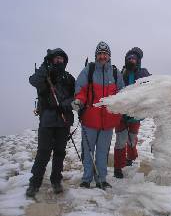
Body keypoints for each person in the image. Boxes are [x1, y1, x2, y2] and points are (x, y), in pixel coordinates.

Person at [72, 41, 124, 189]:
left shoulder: (115, 73)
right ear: (96, 55)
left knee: (103, 152)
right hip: (89, 119)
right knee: (88, 151)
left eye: (105, 54)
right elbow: (80, 89)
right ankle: (87, 178)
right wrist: (78, 101)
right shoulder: (89, 70)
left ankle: (101, 179)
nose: (102, 56)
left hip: (108, 122)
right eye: (100, 54)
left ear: (109, 56)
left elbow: (122, 93)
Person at [26, 48, 75, 197]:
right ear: (51, 60)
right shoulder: (43, 75)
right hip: (47, 121)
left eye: (61, 59)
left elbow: (75, 96)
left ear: (64, 61)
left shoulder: (69, 78)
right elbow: (33, 81)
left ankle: (56, 180)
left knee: (59, 153)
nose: (59, 61)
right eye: (56, 58)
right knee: (43, 153)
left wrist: (64, 104)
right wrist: (44, 65)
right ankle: (34, 183)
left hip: (63, 121)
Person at [114, 47, 151, 178]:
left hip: (135, 115)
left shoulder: (143, 73)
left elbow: (150, 90)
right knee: (120, 141)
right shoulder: (120, 73)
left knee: (132, 140)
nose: (131, 60)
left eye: (134, 59)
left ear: (138, 60)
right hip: (121, 115)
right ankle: (118, 167)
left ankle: (131, 158)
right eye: (129, 58)